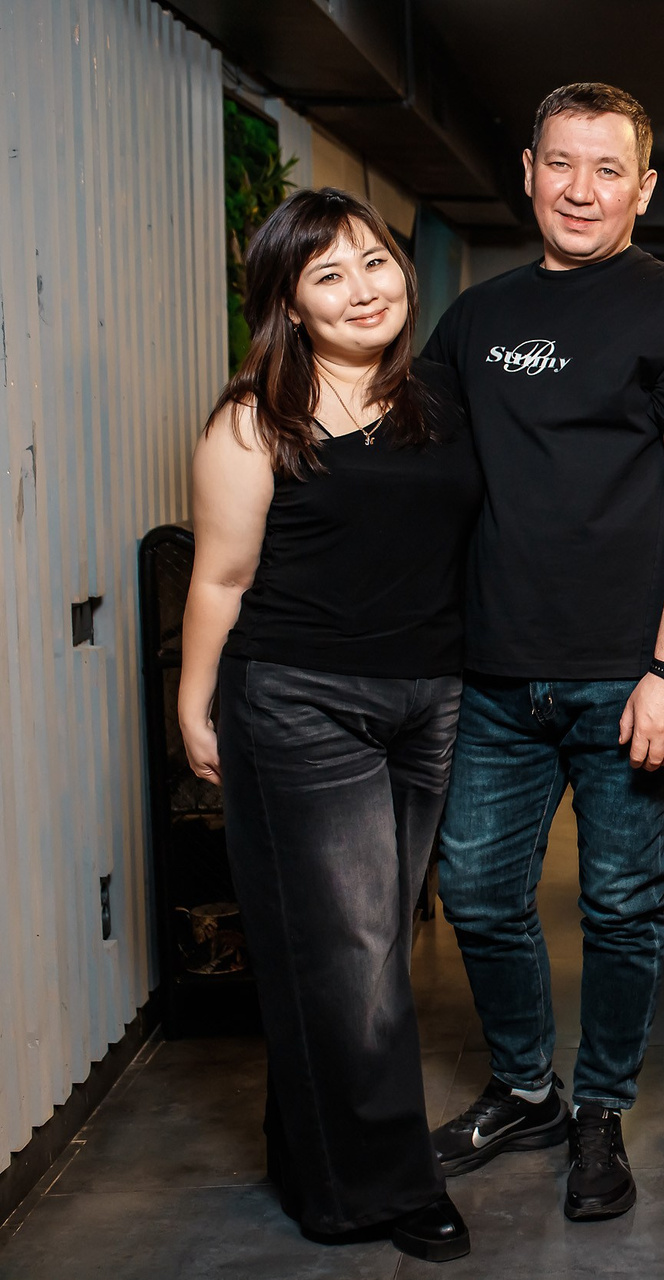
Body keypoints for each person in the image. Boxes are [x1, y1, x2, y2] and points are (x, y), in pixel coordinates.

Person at [421, 82, 664, 1223]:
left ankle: (600, 1108)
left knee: (619, 905)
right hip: (492, 674)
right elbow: (420, 471)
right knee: (476, 889)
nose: (580, 189)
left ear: (643, 188)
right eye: (560, 163)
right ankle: (525, 1088)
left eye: (608, 169)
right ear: (527, 172)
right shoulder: (474, 319)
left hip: (625, 677)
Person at [178, 188, 481, 1263]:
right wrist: (193, 702)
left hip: (428, 698)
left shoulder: (441, 398)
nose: (363, 290)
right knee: (354, 954)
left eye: (375, 262)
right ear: (290, 304)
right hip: (302, 698)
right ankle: (386, 1188)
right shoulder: (253, 419)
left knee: (360, 945)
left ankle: (311, 1158)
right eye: (329, 275)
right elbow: (221, 576)